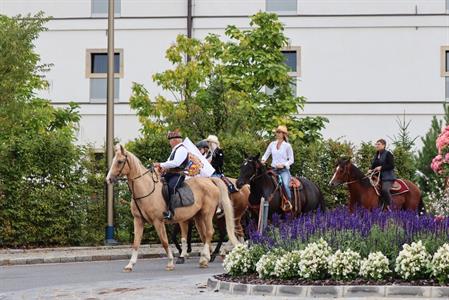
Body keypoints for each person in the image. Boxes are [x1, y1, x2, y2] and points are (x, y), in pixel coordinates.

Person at [154, 130, 189, 220]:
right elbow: (168, 162)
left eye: (170, 140)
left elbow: (176, 163)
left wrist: (161, 164)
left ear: (175, 140)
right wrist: (162, 167)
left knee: (171, 187)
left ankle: (171, 212)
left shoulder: (182, 149)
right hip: (170, 174)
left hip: (178, 175)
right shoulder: (175, 150)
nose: (169, 142)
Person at [261, 125, 294, 201]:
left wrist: (283, 165)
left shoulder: (287, 146)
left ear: (284, 134)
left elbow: (291, 160)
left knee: (285, 185)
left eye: (279, 132)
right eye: (277, 132)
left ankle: (289, 202)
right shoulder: (272, 144)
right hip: (273, 170)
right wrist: (263, 160)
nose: (277, 134)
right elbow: (266, 155)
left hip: (283, 171)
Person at [369, 139, 396, 210]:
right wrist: (370, 169)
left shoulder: (388, 154)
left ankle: (390, 206)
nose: (376, 145)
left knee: (384, 190)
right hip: (378, 178)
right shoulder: (377, 154)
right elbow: (374, 165)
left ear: (383, 145)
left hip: (388, 178)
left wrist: (381, 168)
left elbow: (391, 165)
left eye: (378, 144)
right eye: (376, 144)